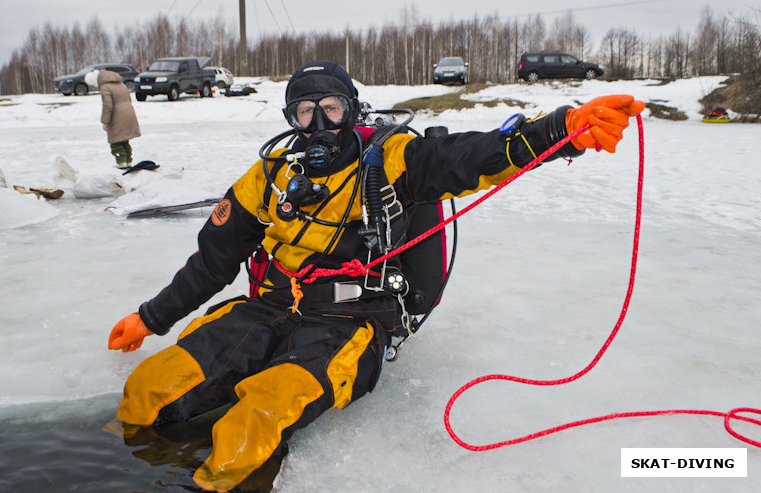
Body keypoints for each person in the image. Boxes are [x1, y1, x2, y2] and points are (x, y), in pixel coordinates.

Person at [108, 60, 645, 492]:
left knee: (256, 417)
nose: (318, 123)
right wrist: (151, 318)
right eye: (304, 112)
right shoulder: (270, 175)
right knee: (146, 390)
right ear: (289, 119)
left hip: (349, 319)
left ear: (352, 109)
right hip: (265, 307)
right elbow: (214, 259)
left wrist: (563, 131)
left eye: (331, 107)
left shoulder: (389, 159)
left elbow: (468, 156)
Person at [88, 69, 141, 168]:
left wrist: (105, 121)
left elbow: (107, 105)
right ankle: (128, 161)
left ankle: (121, 163)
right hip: (129, 112)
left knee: (116, 140)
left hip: (117, 115)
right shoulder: (121, 84)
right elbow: (128, 99)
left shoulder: (105, 87)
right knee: (124, 139)